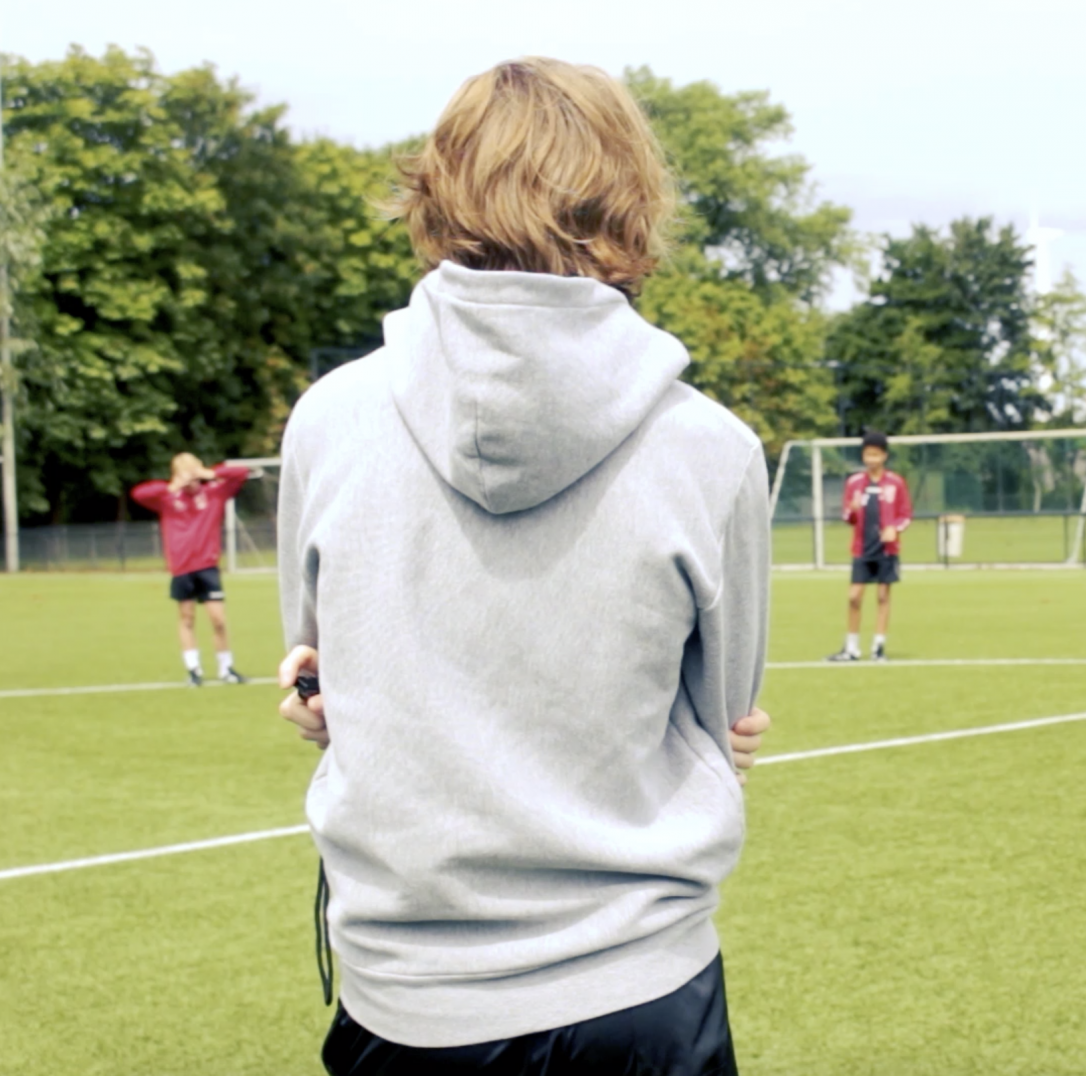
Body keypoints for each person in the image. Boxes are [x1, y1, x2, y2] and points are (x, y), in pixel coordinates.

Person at [270, 58, 771, 1074]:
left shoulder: (328, 418)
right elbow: (726, 707)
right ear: (628, 196)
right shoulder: (712, 444)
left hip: (404, 996)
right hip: (637, 987)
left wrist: (333, 689)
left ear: (438, 187)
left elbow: (316, 660)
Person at [130, 453, 252, 686]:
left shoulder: (214, 493)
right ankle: (193, 669)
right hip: (181, 567)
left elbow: (241, 473)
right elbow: (139, 494)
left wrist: (210, 474)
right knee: (186, 618)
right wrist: (173, 485)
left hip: (208, 565)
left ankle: (226, 669)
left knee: (218, 619)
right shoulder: (166, 498)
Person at [827, 429, 911, 663]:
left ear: (884, 456)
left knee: (883, 596)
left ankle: (878, 647)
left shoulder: (895, 483)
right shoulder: (855, 483)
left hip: (886, 550)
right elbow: (847, 516)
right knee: (854, 596)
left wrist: (895, 528)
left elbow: (905, 515)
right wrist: (852, 511)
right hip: (862, 548)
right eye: (867, 455)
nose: (871, 459)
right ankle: (851, 648)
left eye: (876, 454)